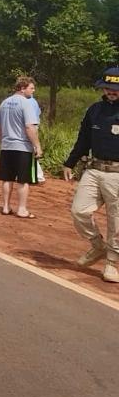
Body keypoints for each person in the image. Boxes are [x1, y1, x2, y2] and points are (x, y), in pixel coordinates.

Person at [61, 66, 119, 283]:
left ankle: (112, 262)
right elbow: (83, 140)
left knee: (116, 221)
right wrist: (70, 162)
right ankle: (98, 246)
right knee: (79, 211)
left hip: (117, 174)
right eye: (108, 88)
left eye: (116, 89)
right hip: (94, 169)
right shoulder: (94, 110)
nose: (112, 92)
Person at [0, 76, 42, 218]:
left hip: (7, 146)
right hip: (22, 147)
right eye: (31, 88)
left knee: (7, 178)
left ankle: (6, 207)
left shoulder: (4, 103)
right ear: (22, 88)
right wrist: (37, 146)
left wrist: (2, 142)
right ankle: (22, 209)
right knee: (23, 180)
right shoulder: (26, 103)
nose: (33, 91)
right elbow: (29, 127)